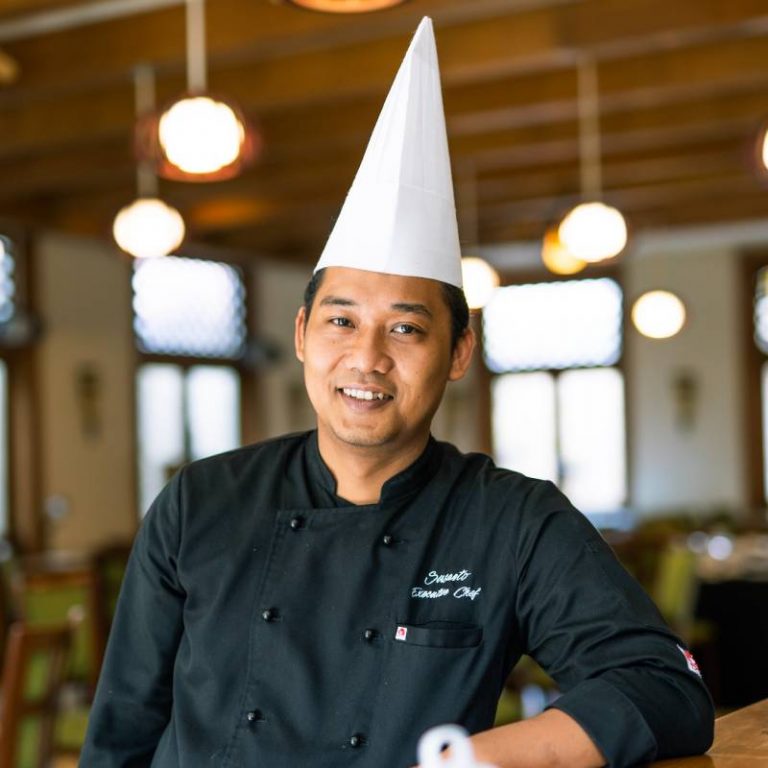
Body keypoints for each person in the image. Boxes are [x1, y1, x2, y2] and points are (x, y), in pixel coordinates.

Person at [81, 17, 714, 768]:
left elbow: (665, 690)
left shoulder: (509, 521)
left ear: (459, 353)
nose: (368, 358)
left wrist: (472, 760)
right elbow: (120, 738)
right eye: (341, 321)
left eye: (407, 329)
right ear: (302, 334)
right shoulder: (200, 502)